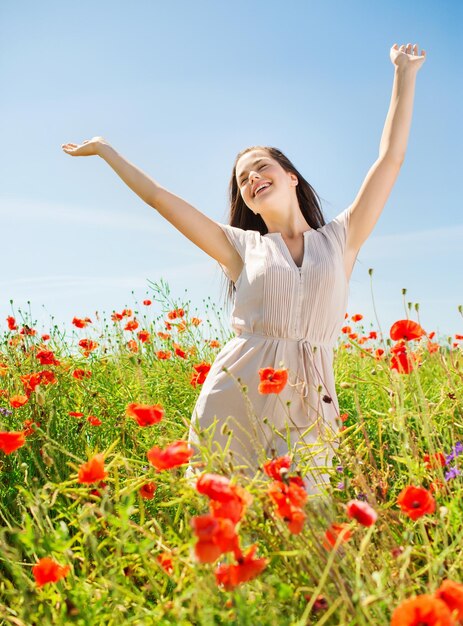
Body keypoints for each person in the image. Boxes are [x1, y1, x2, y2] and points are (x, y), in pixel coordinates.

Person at [61, 42, 426, 495]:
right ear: (246, 200)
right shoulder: (241, 247)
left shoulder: (342, 238)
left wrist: (404, 75)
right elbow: (160, 198)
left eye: (261, 168)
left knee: (307, 519)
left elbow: (390, 159)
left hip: (310, 403)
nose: (252, 179)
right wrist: (106, 151)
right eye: (243, 180)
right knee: (235, 522)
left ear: (292, 176)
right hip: (237, 401)